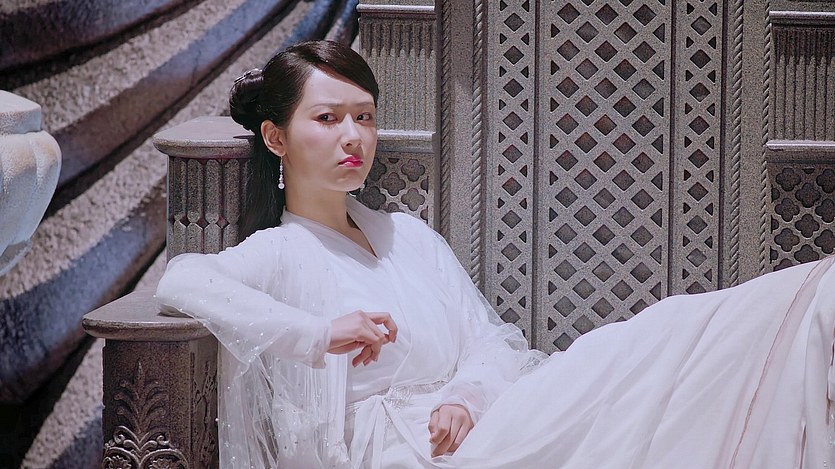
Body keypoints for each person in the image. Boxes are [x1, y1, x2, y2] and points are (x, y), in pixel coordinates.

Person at [155, 40, 835, 468]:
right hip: (401, 453)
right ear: (276, 138)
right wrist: (317, 332)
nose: (353, 136)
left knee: (658, 345)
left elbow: (487, 339)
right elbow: (184, 279)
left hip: (483, 422)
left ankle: (806, 305)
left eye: (364, 116)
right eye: (327, 118)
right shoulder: (280, 251)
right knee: (650, 359)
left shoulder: (406, 236)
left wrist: (465, 396)